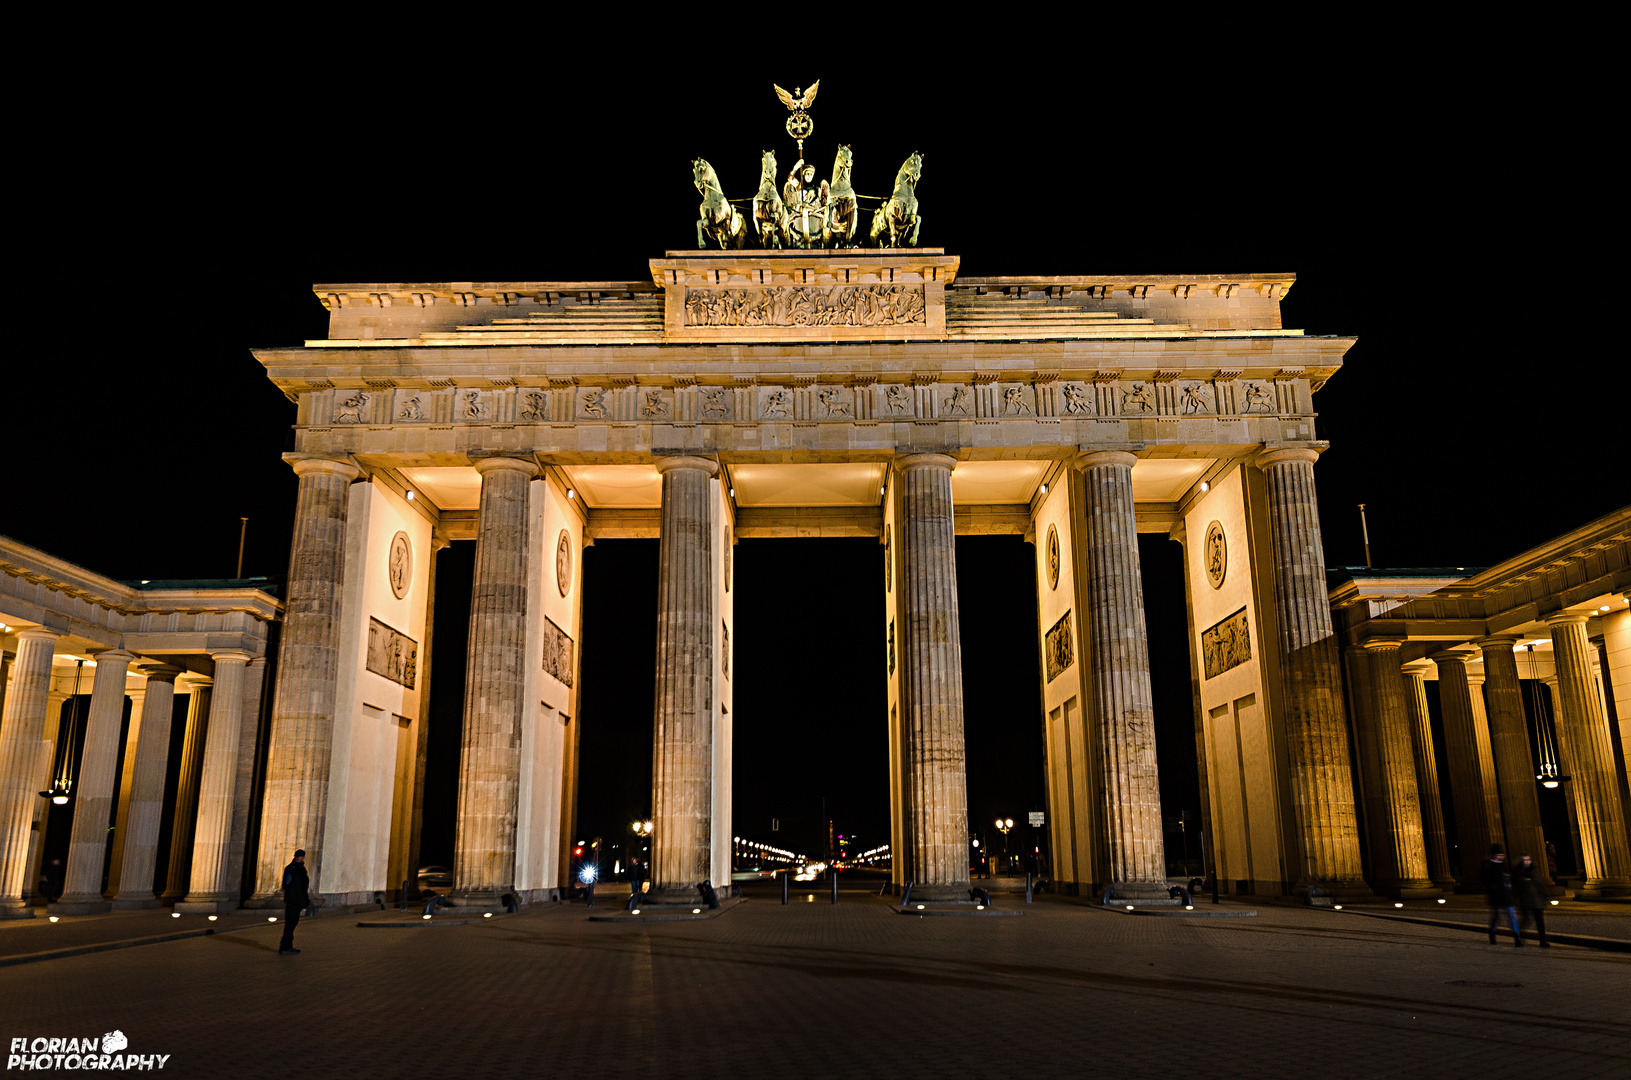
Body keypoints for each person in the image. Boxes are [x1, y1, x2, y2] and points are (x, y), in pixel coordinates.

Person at [1481, 844, 1521, 947]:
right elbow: (1487, 881)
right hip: (1497, 896)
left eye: (1502, 854)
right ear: (1494, 855)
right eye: (1499, 855)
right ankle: (1492, 933)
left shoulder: (1505, 865)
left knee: (1512, 917)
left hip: (1507, 895)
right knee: (1497, 916)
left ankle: (1517, 938)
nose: (1501, 856)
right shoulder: (1489, 866)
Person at [1513, 854, 1550, 947]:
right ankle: (1518, 938)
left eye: (1528, 859)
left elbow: (1540, 885)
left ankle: (1542, 941)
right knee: (1526, 920)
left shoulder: (1535, 871)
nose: (1526, 861)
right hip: (1525, 900)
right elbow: (1516, 889)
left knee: (1540, 922)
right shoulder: (1518, 873)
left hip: (1537, 900)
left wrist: (1545, 896)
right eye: (1524, 860)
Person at [279, 850, 309, 956]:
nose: (298, 858)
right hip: (292, 900)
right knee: (290, 924)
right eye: (297, 856)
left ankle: (287, 946)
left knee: (293, 923)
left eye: (300, 856)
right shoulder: (292, 868)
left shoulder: (301, 869)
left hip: (297, 900)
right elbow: (286, 883)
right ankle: (285, 947)